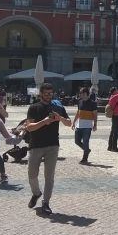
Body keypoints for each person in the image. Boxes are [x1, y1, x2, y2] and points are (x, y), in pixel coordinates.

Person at [25, 82, 72, 215]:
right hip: (36, 145)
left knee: (49, 176)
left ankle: (46, 202)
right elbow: (29, 127)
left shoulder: (57, 106)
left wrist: (60, 118)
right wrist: (44, 122)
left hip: (52, 145)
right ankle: (36, 193)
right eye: (46, 94)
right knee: (32, 175)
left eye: (50, 94)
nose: (48, 96)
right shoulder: (34, 107)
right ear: (40, 94)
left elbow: (69, 123)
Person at [72, 87, 98, 164]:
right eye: (80, 93)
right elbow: (78, 112)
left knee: (86, 142)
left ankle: (85, 158)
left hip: (87, 127)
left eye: (82, 93)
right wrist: (74, 122)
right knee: (77, 141)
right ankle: (87, 150)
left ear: (87, 94)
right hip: (79, 125)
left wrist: (95, 125)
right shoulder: (79, 102)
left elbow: (95, 115)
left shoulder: (93, 103)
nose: (81, 95)